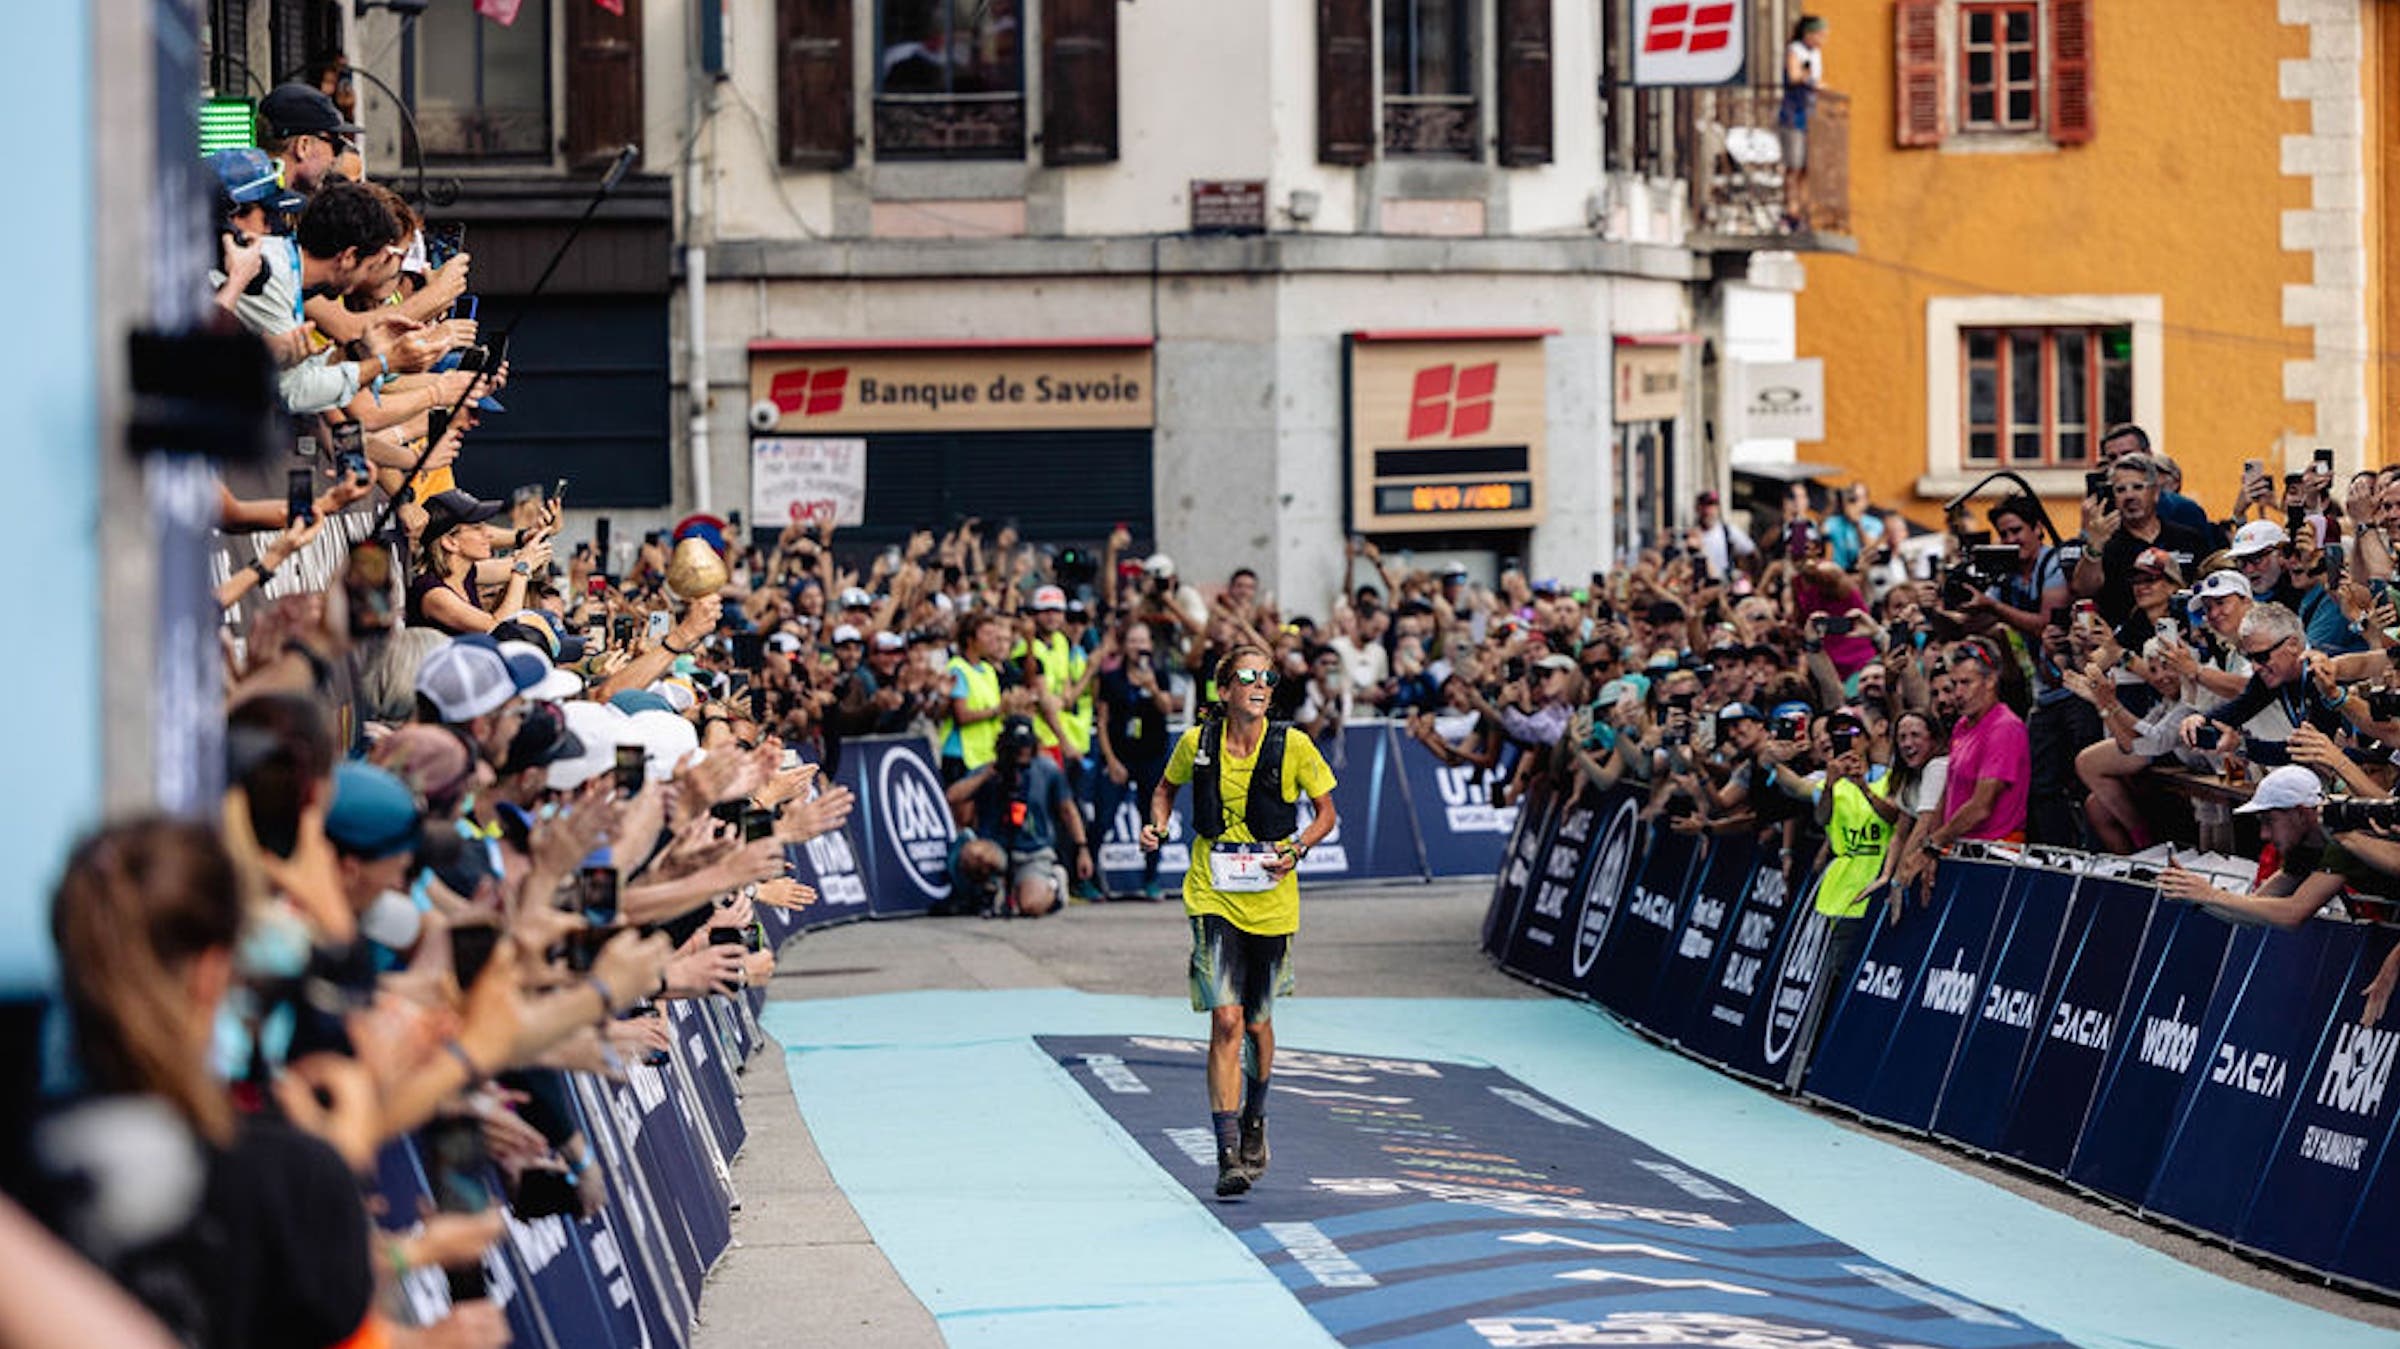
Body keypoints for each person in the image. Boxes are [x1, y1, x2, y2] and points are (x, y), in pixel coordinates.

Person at [1141, 645, 1338, 1198]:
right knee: (1225, 1022)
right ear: (1223, 689)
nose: (1259, 685)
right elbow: (1164, 790)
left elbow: (1326, 813)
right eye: (1246, 677)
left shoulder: (1293, 745)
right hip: (1212, 893)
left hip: (1273, 899)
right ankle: (1227, 1152)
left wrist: (1296, 849)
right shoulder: (1195, 743)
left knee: (1256, 1023)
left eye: (1267, 677)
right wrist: (1155, 825)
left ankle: (1256, 1116)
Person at [1899, 638, 2029, 887]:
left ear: (1990, 681)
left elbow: (1981, 807)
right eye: (1954, 683)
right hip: (1959, 851)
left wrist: (1932, 846)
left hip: (1995, 857)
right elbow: (1947, 794)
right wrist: (1933, 850)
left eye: (1966, 683)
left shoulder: (2005, 727)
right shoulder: (1961, 725)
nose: (1957, 693)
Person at [946, 715, 1089, 917]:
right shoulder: (991, 770)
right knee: (974, 854)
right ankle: (996, 887)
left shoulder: (1047, 770)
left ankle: (1054, 885)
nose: (1022, 753)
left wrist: (1082, 848)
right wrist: (987, 776)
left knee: (1031, 906)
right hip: (997, 846)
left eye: (1026, 746)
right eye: (1016, 747)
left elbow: (1068, 809)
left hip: (1034, 850)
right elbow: (952, 796)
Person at [2073, 452, 2214, 626]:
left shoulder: (2189, 538)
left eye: (2138, 487)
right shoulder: (2108, 544)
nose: (2129, 496)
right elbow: (2083, 590)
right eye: (2121, 490)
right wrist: (2094, 546)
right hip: (2126, 644)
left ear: (2155, 493)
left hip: (2187, 639)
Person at [2228, 519, 2359, 654]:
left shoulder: (2333, 596)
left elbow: (2298, 661)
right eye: (2287, 552)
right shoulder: (2304, 598)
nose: (2292, 560)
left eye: (2257, 559)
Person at [1777, 15, 1827, 232]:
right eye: (1820, 34)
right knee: (1794, 166)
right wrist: (1812, 82)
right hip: (1793, 115)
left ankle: (1802, 210)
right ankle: (1791, 210)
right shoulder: (1795, 50)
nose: (1824, 39)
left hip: (1808, 116)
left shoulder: (1815, 54)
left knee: (1806, 167)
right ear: (1809, 33)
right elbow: (1795, 75)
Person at [1691, 489, 1756, 582]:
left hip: (1723, 584)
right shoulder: (1691, 534)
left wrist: (1752, 577)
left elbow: (1751, 552)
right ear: (1697, 509)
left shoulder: (1728, 531)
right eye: (1705, 506)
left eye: (1712, 506)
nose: (1709, 511)